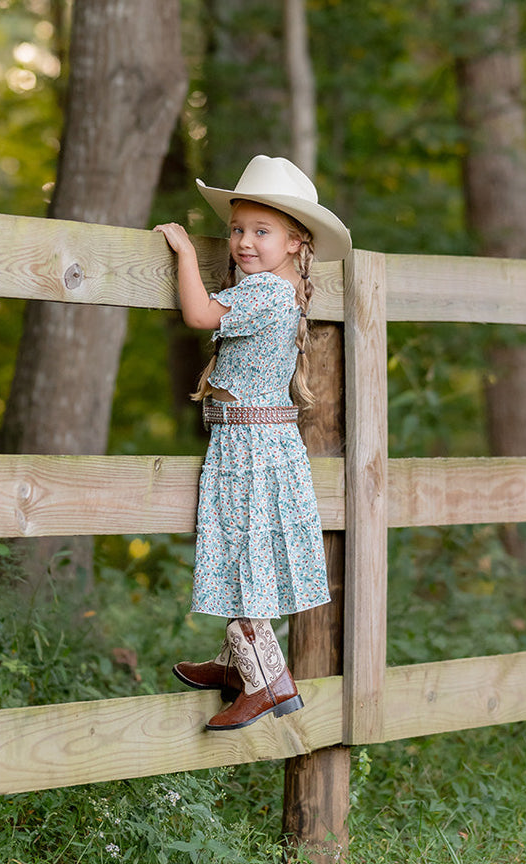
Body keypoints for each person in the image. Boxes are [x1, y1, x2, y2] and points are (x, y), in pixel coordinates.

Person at [154, 154, 352, 731]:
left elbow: (196, 314)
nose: (243, 241)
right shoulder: (280, 288)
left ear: (295, 241)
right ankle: (237, 665)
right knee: (249, 553)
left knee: (243, 554)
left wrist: (187, 253)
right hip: (261, 440)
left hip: (249, 446)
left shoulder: (264, 293)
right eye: (237, 229)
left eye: (261, 232)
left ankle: (268, 681)